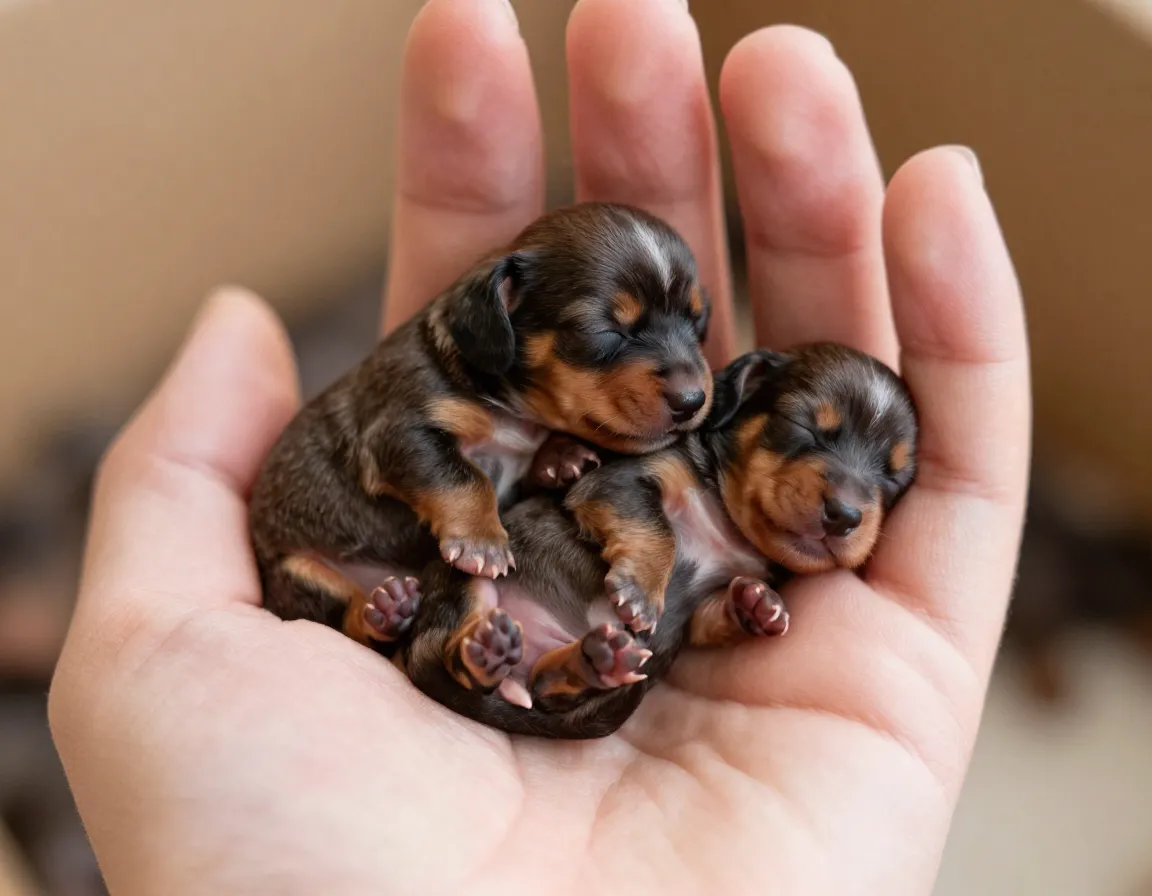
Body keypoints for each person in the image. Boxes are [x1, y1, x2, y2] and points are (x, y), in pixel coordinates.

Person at [46, 0, 1030, 893]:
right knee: (434, 574)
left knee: (567, 649)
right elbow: (440, 464)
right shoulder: (448, 386)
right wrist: (476, 516)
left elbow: (621, 542)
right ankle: (405, 621)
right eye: (621, 329)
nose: (686, 378)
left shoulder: (601, 445)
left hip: (554, 656)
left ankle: (531, 663)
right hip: (350, 558)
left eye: (694, 333)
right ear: (505, 316)